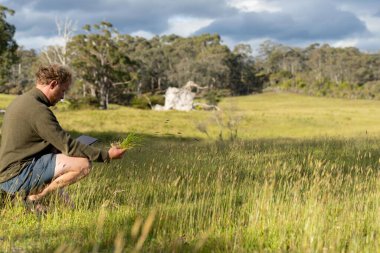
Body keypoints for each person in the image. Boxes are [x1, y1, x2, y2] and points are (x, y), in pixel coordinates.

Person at [0, 64, 126, 210]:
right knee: (82, 165)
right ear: (53, 84)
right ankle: (34, 199)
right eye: (63, 90)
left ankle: (40, 203)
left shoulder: (21, 101)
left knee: (69, 207)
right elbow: (68, 145)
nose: (62, 97)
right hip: (16, 175)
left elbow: (35, 143)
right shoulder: (38, 110)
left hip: (10, 171)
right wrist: (107, 155)